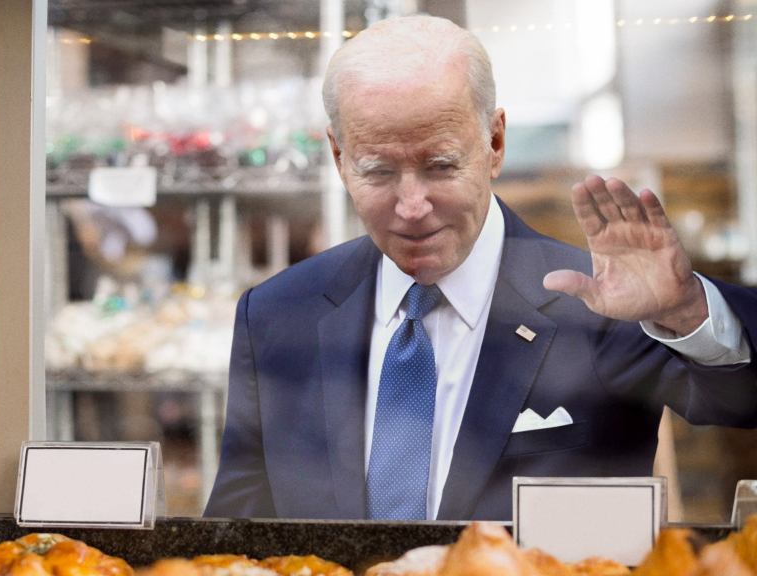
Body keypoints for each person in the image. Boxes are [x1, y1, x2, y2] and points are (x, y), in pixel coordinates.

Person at [203, 15, 757, 521]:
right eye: (377, 171)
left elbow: (741, 402)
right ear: (339, 158)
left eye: (440, 165)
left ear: (494, 142)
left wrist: (686, 311)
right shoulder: (278, 314)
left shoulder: (601, 304)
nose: (412, 205)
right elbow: (238, 530)